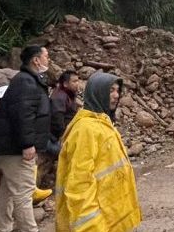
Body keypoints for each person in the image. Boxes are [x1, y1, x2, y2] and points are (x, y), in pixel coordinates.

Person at [55, 72, 142, 232]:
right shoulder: (86, 130)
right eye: (111, 90)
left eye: (118, 90)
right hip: (100, 226)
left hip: (116, 221)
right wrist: (91, 227)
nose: (116, 95)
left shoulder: (102, 123)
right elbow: (79, 187)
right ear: (96, 92)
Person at [0, 45, 52, 232]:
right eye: (46, 56)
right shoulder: (26, 82)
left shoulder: (27, 80)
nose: (49, 59)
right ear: (35, 60)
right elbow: (23, 115)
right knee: (24, 193)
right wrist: (27, 144)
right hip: (16, 149)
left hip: (10, 147)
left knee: (8, 191)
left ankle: (2, 227)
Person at [51, 70, 81, 142]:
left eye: (78, 81)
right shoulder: (60, 97)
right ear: (65, 84)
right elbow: (57, 121)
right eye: (74, 81)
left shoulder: (69, 94)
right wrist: (64, 136)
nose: (77, 84)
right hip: (59, 137)